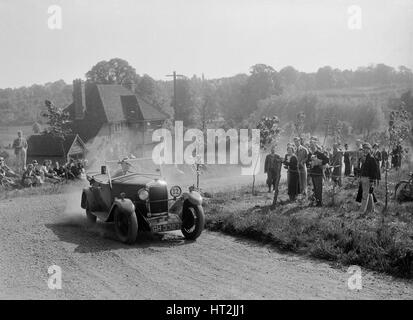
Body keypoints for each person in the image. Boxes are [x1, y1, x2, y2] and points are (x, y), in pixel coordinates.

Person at [358, 143, 379, 214]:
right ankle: (371, 210)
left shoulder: (371, 158)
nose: (366, 150)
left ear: (370, 150)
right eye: (364, 149)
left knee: (365, 195)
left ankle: (361, 212)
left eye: (367, 149)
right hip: (363, 178)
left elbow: (375, 171)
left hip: (368, 178)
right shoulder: (365, 158)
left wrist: (372, 180)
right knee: (369, 194)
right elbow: (362, 169)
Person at [308, 142, 329, 207]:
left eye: (313, 146)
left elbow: (327, 160)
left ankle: (319, 203)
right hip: (313, 174)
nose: (312, 147)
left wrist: (319, 162)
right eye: (311, 146)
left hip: (318, 174)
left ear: (316, 146)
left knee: (319, 189)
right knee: (315, 189)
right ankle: (316, 201)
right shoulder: (310, 154)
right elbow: (307, 162)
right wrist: (310, 163)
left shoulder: (320, 154)